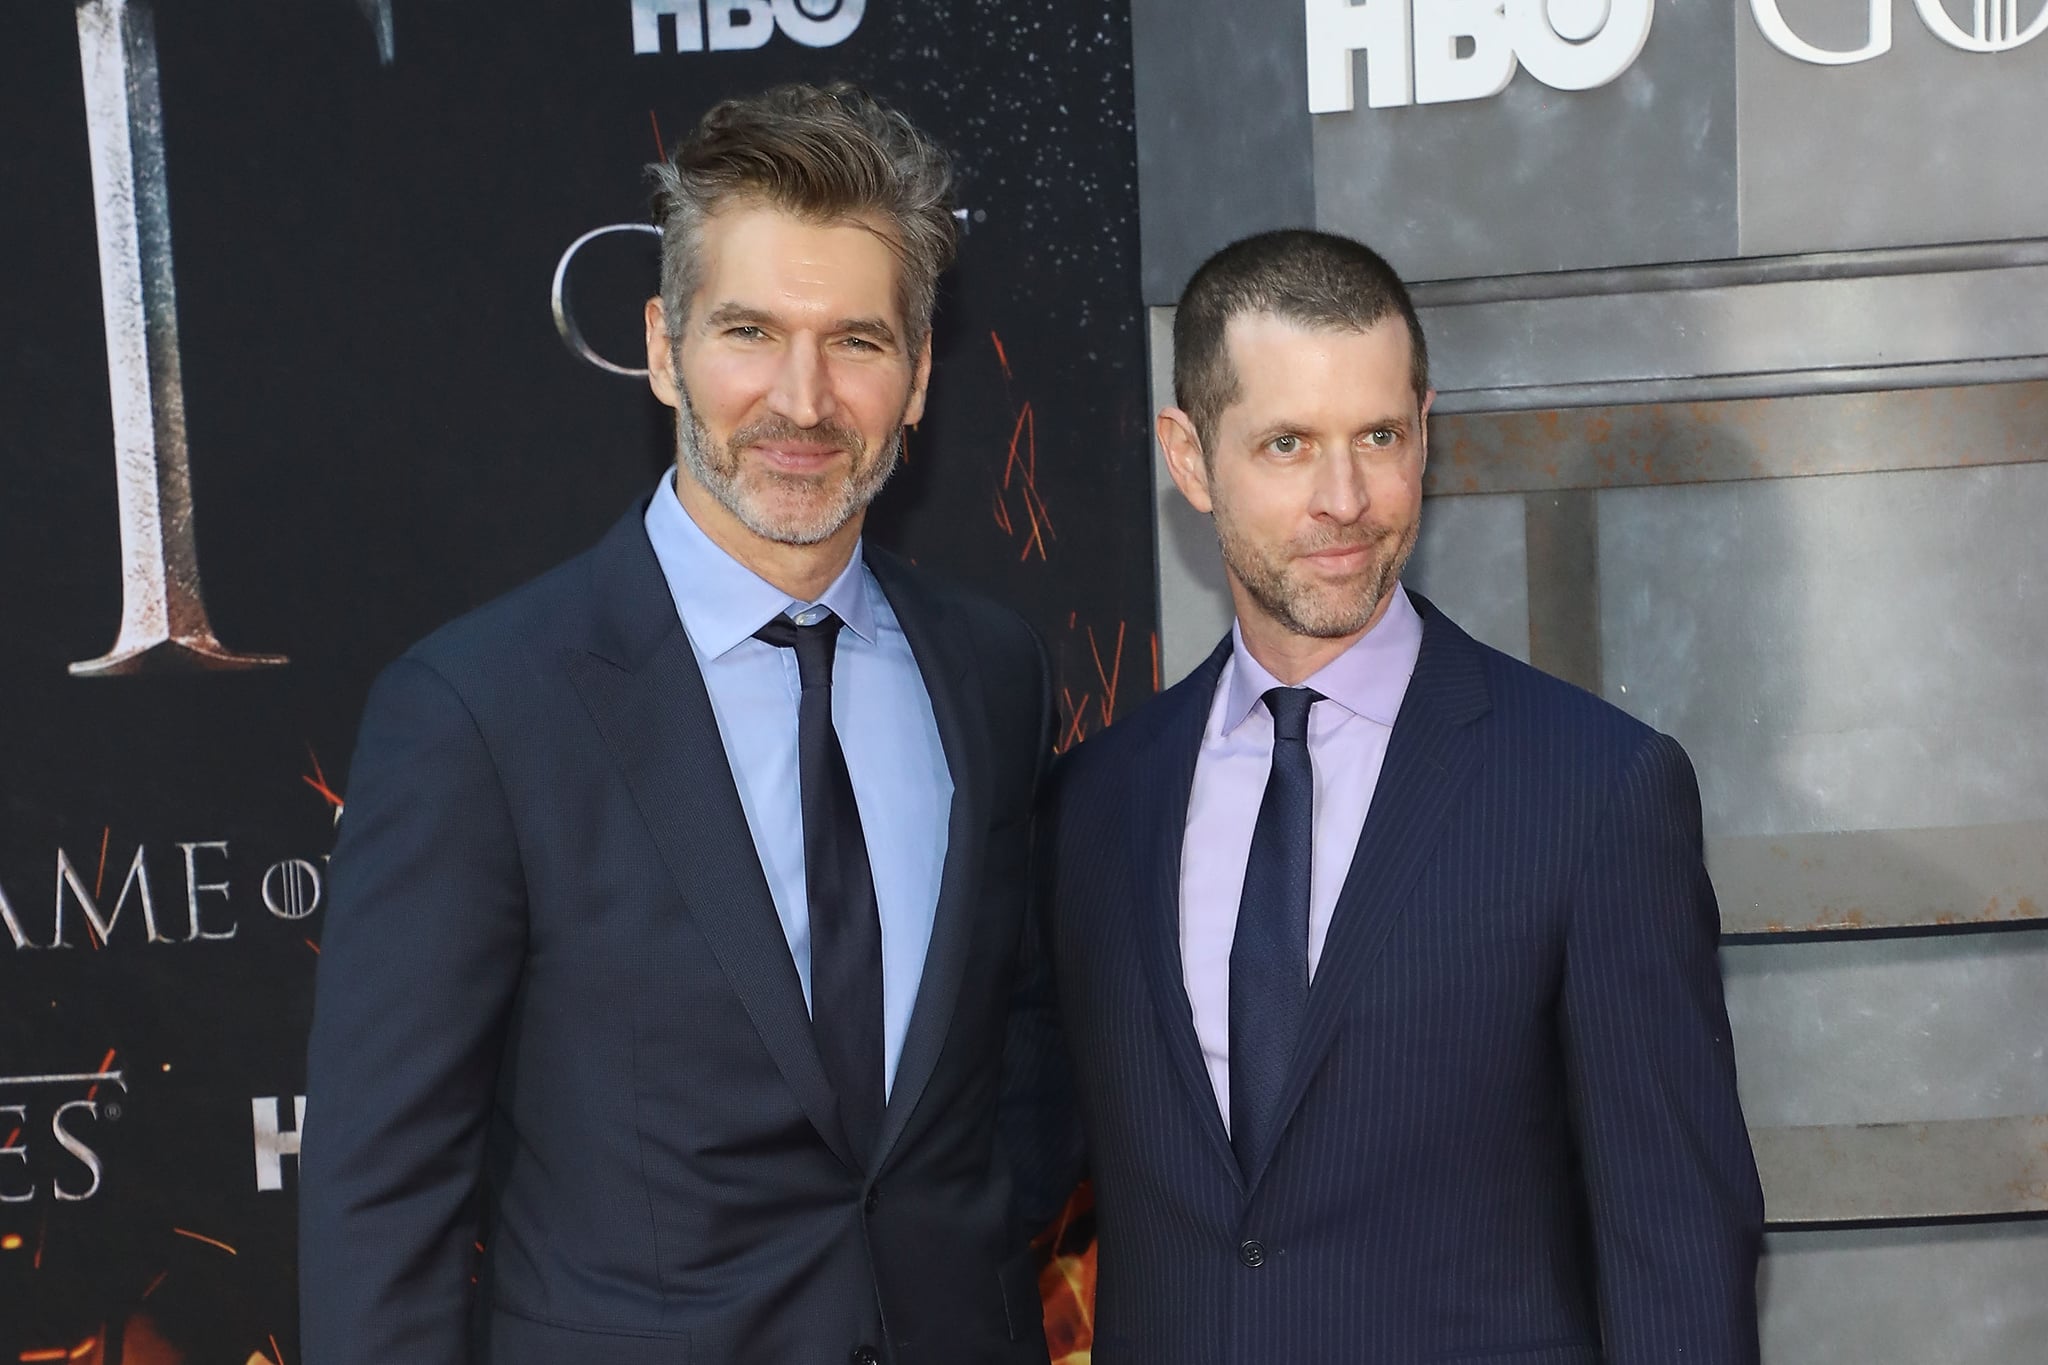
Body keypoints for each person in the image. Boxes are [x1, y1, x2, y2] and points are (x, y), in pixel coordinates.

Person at [300, 84, 1064, 1365]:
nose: (803, 402)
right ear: (661, 348)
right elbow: (384, 1192)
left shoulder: (990, 674)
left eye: (858, 343)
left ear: (921, 377)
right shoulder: (480, 710)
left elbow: (1028, 1045)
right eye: (749, 331)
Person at [1042, 229, 1763, 1363]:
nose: (1346, 499)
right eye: (1286, 445)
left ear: (1423, 428)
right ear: (1188, 460)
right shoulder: (1093, 806)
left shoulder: (1592, 792)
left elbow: (1674, 1246)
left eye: (1377, 436)